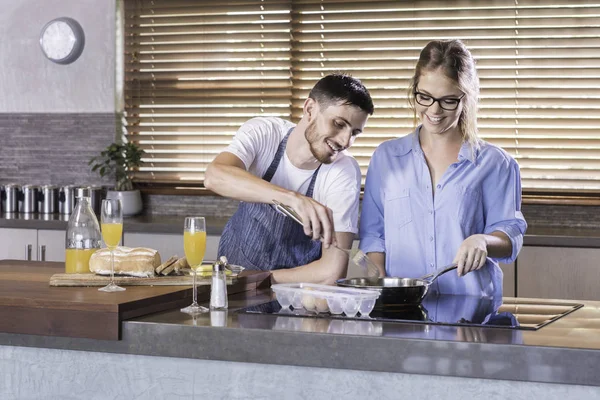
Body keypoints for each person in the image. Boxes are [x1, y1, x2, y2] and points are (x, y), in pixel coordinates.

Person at [359, 39, 527, 297]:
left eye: (448, 100)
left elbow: (510, 235)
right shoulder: (386, 158)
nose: (434, 110)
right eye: (424, 97)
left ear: (466, 98)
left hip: (471, 307)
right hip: (402, 309)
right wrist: (381, 284)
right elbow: (374, 234)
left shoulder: (496, 164)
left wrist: (482, 240)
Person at [205, 73, 374, 284]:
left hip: (292, 300)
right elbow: (214, 176)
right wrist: (291, 198)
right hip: (231, 290)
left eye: (355, 132)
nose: (346, 141)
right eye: (339, 124)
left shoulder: (343, 172)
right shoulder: (265, 134)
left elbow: (332, 270)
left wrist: (258, 281)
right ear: (310, 109)